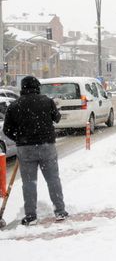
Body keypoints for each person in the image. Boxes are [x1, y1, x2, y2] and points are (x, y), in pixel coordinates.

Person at [2, 76, 68, 225]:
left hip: (25, 149)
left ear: (22, 88)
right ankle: (60, 211)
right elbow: (56, 118)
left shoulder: (14, 105)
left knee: (29, 183)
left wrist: (19, 138)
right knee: (53, 179)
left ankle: (31, 215)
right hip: (47, 146)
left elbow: (7, 129)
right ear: (37, 87)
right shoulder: (46, 101)